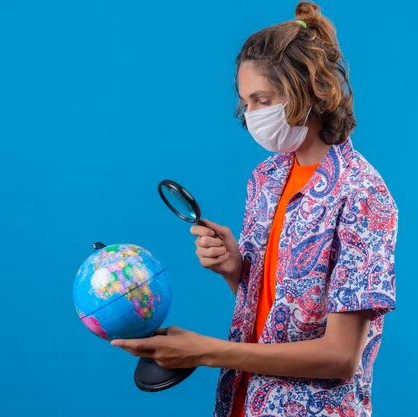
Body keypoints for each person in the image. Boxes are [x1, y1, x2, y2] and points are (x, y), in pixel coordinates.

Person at [111, 2, 398, 416]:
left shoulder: (363, 195)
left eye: (264, 99)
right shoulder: (265, 179)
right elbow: (276, 314)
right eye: (247, 102)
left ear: (308, 90)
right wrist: (237, 272)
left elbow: (340, 356)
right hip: (245, 403)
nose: (252, 115)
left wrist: (208, 352)